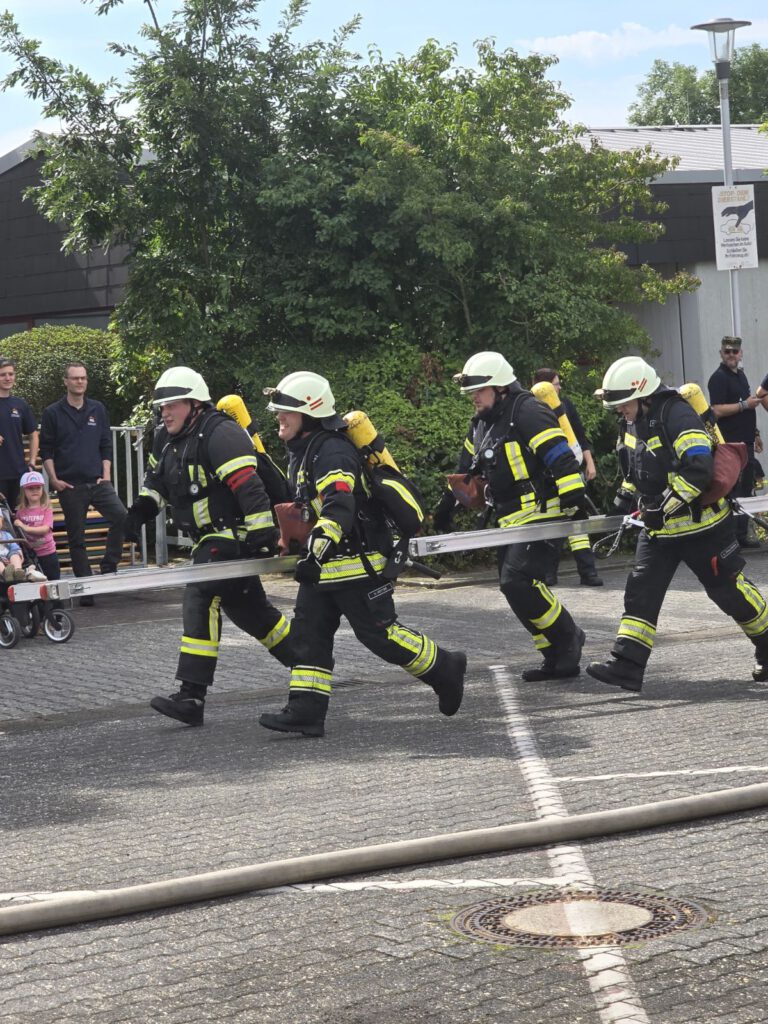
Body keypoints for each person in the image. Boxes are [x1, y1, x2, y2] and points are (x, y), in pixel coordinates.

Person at [257, 370, 466, 738]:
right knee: (309, 636)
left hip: (357, 566)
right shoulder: (304, 451)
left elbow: (340, 507)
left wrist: (314, 555)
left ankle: (445, 667)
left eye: (286, 410)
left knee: (380, 637)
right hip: (325, 570)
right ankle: (306, 710)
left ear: (310, 412)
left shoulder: (332, 450)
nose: (279, 417)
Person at [123, 367, 296, 727]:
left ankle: (191, 696)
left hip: (232, 536)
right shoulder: (165, 439)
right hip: (207, 540)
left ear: (195, 404)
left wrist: (262, 535)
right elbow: (156, 483)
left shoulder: (221, 433)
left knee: (200, 595)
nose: (165, 412)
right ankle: (310, 662)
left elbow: (250, 488)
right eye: (161, 406)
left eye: (172, 404)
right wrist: (137, 513)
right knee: (255, 616)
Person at [587, 355, 768, 693]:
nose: (619, 410)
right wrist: (623, 500)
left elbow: (698, 470)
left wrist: (664, 507)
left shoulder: (677, 414)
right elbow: (638, 467)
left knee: (729, 594)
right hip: (658, 531)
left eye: (622, 403)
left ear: (641, 394)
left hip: (703, 529)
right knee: (641, 591)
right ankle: (627, 666)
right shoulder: (632, 421)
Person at [434, 351, 588, 682]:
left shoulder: (528, 410)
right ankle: (555, 656)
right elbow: (466, 472)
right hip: (509, 518)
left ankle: (568, 637)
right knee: (513, 588)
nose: (473, 398)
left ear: (500, 387)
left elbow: (560, 457)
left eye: (478, 391)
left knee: (516, 581)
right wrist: (447, 506)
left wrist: (575, 497)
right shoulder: (480, 424)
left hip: (541, 512)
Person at [40, 361, 127, 603]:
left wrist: (107, 474)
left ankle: (109, 565)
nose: (80, 382)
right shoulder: (52, 413)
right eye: (75, 378)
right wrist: (55, 480)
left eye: (83, 378)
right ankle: (86, 588)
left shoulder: (97, 409)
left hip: (98, 482)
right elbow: (46, 450)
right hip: (70, 485)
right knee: (76, 538)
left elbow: (105, 444)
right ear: (66, 381)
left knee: (122, 516)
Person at [531, 367, 603, 587]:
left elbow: (579, 436)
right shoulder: (530, 409)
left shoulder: (565, 407)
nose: (559, 387)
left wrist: (589, 463)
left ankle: (588, 572)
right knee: (553, 523)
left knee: (578, 522)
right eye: (556, 383)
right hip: (546, 477)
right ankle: (548, 573)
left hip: (571, 471)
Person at [707, 336, 761, 547]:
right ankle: (728, 538)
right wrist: (743, 406)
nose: (731, 355)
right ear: (721, 353)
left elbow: (749, 403)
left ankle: (741, 535)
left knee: (746, 490)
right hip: (729, 445)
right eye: (727, 351)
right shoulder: (718, 378)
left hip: (746, 442)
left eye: (735, 352)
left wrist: (756, 433)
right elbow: (716, 410)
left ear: (741, 354)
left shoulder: (741, 376)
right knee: (731, 491)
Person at [0, 357, 39, 511]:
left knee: (18, 520)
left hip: (18, 474)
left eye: (11, 374)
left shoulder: (20, 404)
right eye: (3, 374)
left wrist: (32, 462)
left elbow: (33, 434)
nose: (8, 378)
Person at [13, 470, 60, 583]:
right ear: (24, 491)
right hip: (31, 555)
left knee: (53, 581)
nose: (34, 490)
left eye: (37, 488)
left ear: (42, 490)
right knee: (35, 583)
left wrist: (25, 527)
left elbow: (45, 529)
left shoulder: (46, 509)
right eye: (30, 488)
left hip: (48, 553)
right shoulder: (20, 512)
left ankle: (56, 601)